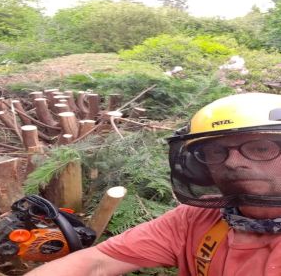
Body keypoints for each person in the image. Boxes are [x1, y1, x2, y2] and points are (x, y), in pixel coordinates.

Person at [25, 92, 281, 276]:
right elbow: (97, 262)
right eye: (215, 152)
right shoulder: (197, 218)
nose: (233, 163)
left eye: (260, 148)